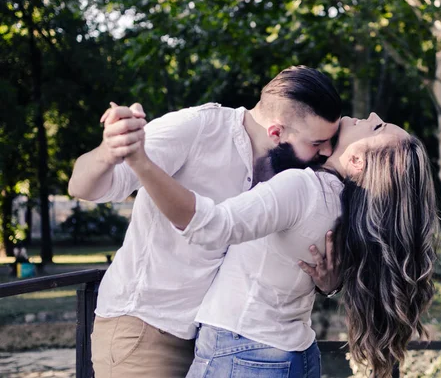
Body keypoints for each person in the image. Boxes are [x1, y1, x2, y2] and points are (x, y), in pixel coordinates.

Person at [67, 66, 343, 378]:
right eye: (318, 142)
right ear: (276, 132)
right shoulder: (198, 128)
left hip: (216, 340)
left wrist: (328, 283)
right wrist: (109, 150)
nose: (328, 151)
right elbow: (83, 187)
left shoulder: (291, 172)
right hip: (148, 330)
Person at [124, 111, 440, 378]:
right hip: (293, 354)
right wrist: (330, 286)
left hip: (243, 350)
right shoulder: (345, 209)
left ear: (356, 160)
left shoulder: (301, 188)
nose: (373, 116)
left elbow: (208, 225)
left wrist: (142, 162)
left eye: (377, 127)